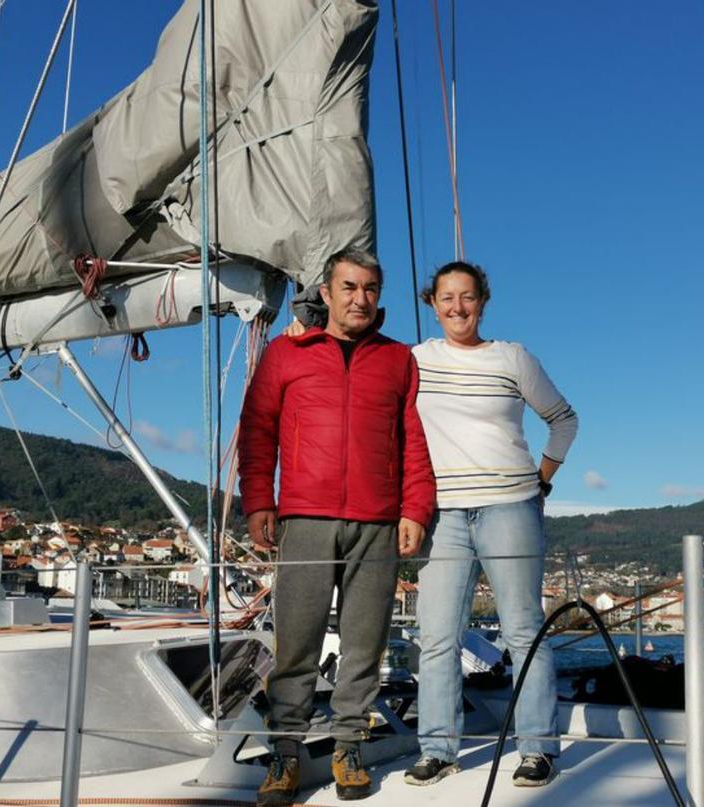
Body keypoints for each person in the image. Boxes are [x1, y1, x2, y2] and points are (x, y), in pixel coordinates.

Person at [239, 248, 435, 806]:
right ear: (325, 293)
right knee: (296, 643)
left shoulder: (398, 360)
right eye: (348, 287)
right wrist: (258, 500)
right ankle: (284, 755)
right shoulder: (286, 354)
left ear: (379, 296)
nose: (359, 298)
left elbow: (413, 441)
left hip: (378, 521)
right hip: (304, 516)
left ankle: (349, 745)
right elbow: (258, 431)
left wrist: (415, 509)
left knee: (364, 643)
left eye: (370, 289)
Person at [404, 261, 578, 788]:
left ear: (483, 301)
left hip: (511, 507)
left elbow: (563, 420)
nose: (457, 307)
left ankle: (537, 749)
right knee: (436, 636)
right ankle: (438, 749)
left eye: (468, 297)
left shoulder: (513, 358)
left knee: (523, 630)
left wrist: (543, 481)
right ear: (431, 303)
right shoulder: (413, 361)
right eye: (447, 298)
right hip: (444, 513)